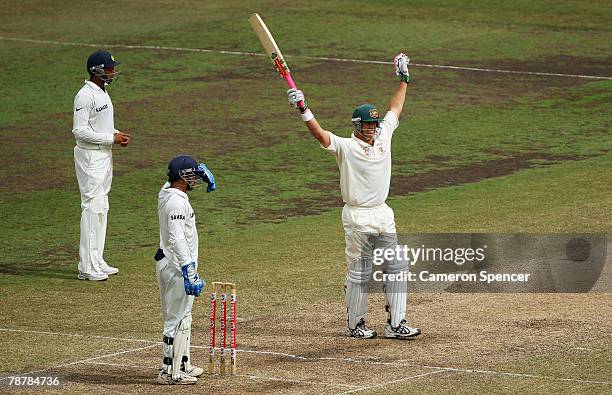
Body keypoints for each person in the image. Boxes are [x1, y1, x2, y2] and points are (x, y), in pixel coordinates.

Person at [287, 53, 421, 339]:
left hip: (383, 212)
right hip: (357, 215)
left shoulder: (384, 135)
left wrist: (404, 79)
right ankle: (355, 324)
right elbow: (321, 135)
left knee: (397, 267)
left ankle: (396, 324)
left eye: (374, 125)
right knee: (361, 272)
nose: (372, 129)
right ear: (357, 126)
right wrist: (303, 109)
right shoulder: (345, 146)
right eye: (367, 125)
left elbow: (395, 108)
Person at [155, 154, 216, 385]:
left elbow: (170, 180)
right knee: (175, 320)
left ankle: (183, 364)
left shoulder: (168, 192)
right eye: (192, 174)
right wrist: (189, 270)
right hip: (176, 268)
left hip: (172, 264)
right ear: (182, 177)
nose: (196, 179)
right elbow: (177, 238)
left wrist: (197, 170)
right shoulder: (175, 202)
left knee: (185, 317)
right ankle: (169, 372)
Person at [72, 50, 130, 281]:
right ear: (97, 70)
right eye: (109, 68)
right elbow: (80, 131)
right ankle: (86, 267)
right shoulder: (85, 96)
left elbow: (99, 126)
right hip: (90, 157)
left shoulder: (102, 92)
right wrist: (110, 139)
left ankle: (97, 259)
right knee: (91, 208)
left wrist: (115, 134)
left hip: (104, 155)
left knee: (102, 206)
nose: (113, 72)